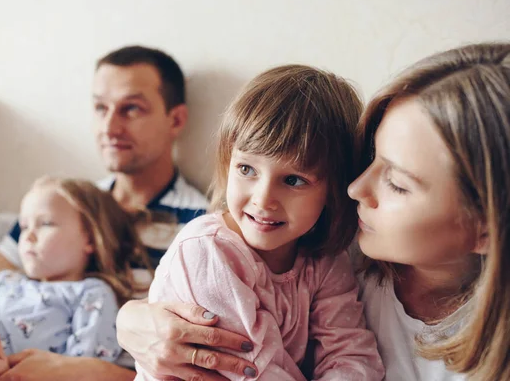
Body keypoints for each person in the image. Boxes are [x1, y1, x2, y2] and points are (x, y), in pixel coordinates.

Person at [116, 42, 510, 381]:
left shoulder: (327, 259)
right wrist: (129, 320)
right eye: (371, 159)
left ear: (486, 229)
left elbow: (349, 354)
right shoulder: (348, 247)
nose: (354, 188)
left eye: (397, 182)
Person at [0, 46, 211, 381]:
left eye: (131, 109)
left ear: (176, 119)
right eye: (100, 107)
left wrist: (86, 371)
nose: (109, 127)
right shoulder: (62, 204)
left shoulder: (200, 227)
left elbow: (194, 364)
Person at [135, 65, 384, 380]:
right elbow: (253, 370)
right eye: (247, 169)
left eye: (293, 180)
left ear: (333, 191)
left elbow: (352, 355)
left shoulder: (326, 262)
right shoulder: (207, 251)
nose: (263, 199)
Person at [0, 176, 150, 381]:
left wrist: (0, 369)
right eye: (24, 226)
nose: (28, 236)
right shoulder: (1, 281)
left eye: (45, 223)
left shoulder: (92, 294)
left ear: (89, 238)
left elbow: (80, 369)